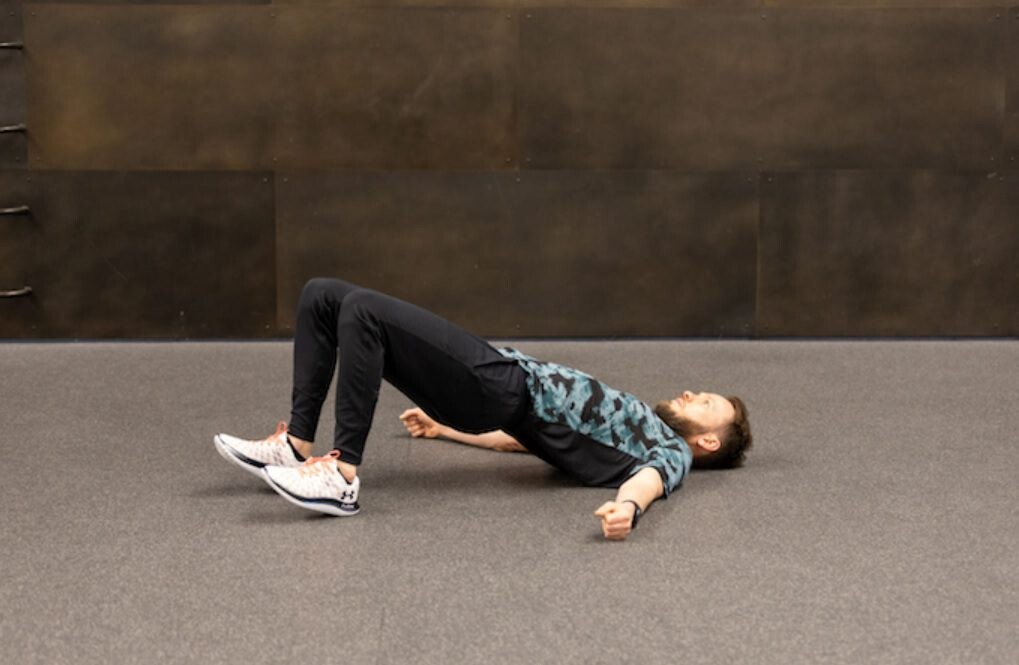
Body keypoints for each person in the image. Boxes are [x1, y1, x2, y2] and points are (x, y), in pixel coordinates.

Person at [214, 278, 753, 541]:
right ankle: (295, 445)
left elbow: (650, 482)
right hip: (496, 388)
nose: (691, 394)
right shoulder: (640, 429)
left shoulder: (670, 450)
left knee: (361, 309)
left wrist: (628, 510)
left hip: (502, 385)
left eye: (705, 403)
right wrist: (445, 429)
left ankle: (342, 477)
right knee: (323, 295)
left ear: (707, 441)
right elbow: (523, 440)